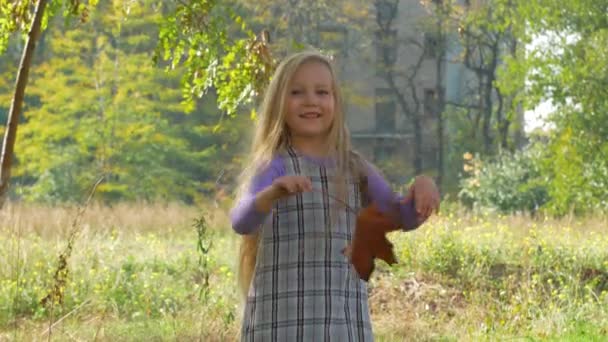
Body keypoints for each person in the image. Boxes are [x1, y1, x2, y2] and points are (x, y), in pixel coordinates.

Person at [230, 50, 440, 341]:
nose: (311, 100)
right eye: (296, 92)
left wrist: (423, 188)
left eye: (322, 92)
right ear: (279, 102)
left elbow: (398, 215)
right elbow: (241, 221)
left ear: (336, 102)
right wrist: (271, 194)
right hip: (280, 324)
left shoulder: (355, 169)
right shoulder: (275, 164)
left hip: (341, 325)